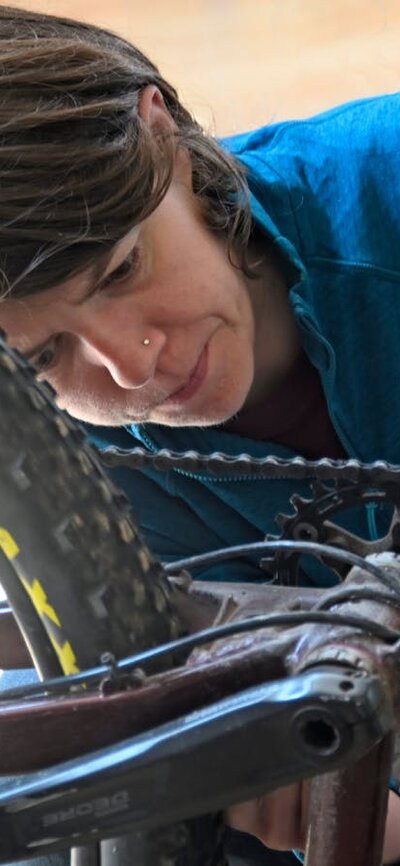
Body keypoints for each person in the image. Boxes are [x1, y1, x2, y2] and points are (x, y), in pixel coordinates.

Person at [0, 3, 399, 864]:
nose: (131, 367)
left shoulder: (388, 184)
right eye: (45, 358)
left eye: (121, 269)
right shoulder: (74, 481)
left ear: (165, 139)